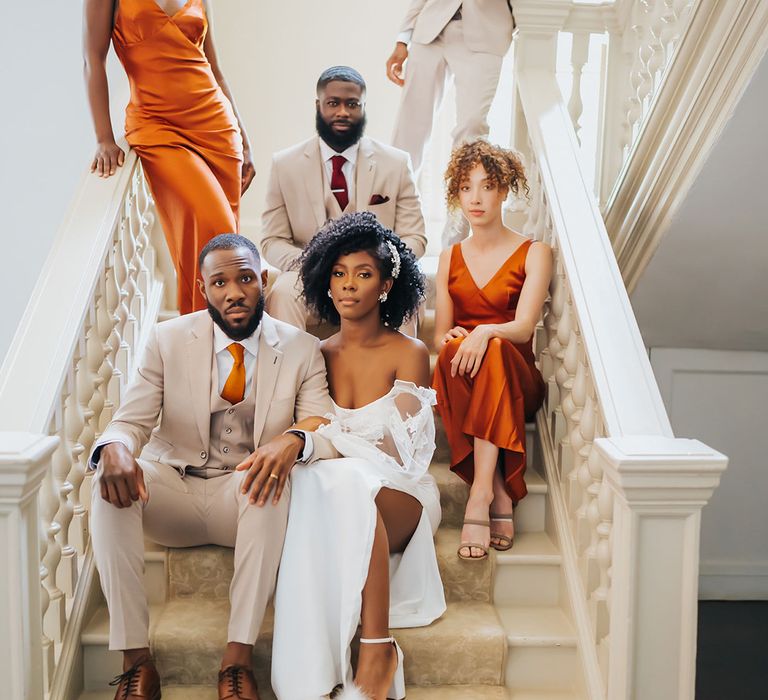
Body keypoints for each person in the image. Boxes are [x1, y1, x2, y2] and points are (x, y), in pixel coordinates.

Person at [88, 234, 336, 700]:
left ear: (263, 281)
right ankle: (136, 661)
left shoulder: (302, 349)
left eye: (245, 278)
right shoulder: (167, 340)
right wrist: (114, 446)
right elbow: (131, 421)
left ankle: (236, 663)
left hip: (241, 499)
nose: (234, 292)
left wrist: (294, 439)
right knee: (105, 484)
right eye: (219, 282)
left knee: (272, 484)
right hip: (174, 489)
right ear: (204, 289)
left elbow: (322, 421)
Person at [270, 212, 445, 700]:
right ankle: (312, 680)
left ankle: (376, 651)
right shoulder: (313, 352)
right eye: (339, 274)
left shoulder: (409, 353)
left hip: (401, 496)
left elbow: (405, 454)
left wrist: (324, 444)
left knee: (337, 480)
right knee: (320, 483)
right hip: (338, 495)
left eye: (363, 274)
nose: (348, 286)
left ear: (386, 285)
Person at [83, 0, 256, 315]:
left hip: (217, 128)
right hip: (157, 127)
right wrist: (103, 138)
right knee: (215, 229)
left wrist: (243, 138)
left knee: (216, 249)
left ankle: (212, 350)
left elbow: (214, 67)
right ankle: (206, 344)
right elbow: (92, 59)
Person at [432, 141, 551, 560]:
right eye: (466, 188)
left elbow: (521, 328)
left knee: (496, 349)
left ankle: (478, 494)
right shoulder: (449, 257)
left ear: (504, 190)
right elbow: (441, 336)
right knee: (451, 354)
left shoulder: (536, 252)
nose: (476, 198)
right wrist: (460, 340)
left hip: (519, 381)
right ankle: (496, 488)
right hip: (469, 373)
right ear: (456, 194)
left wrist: (483, 332)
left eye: (487, 186)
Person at [261, 66, 426, 331]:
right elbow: (272, 240)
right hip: (310, 275)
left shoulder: (395, 163)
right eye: (333, 103)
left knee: (405, 287)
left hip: (372, 275)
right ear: (319, 105)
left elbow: (415, 236)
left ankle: (400, 372)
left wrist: (377, 265)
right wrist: (316, 264)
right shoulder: (285, 165)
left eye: (352, 104)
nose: (342, 112)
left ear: (363, 107)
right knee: (282, 291)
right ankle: (289, 372)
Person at [386, 0, 516, 247]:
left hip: (486, 33)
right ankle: (393, 226)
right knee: (409, 129)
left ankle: (455, 235)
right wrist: (403, 40)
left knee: (472, 128)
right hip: (431, 31)